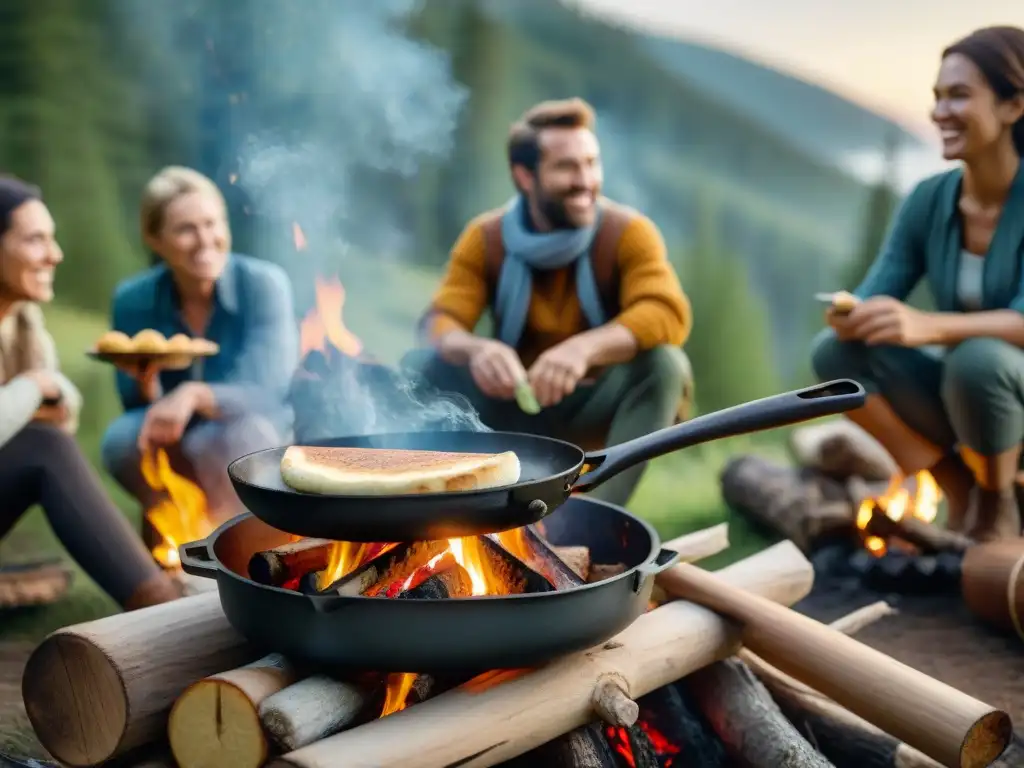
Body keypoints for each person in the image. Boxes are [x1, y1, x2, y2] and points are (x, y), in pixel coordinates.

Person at [403, 98, 693, 508]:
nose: (586, 180)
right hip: (507, 407)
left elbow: (666, 311)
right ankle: (434, 503)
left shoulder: (628, 233)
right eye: (566, 167)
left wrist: (583, 349)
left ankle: (594, 516)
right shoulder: (485, 237)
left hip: (591, 407)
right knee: (423, 366)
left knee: (665, 365)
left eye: (592, 163)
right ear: (525, 176)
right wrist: (477, 349)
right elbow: (437, 322)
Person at [811, 26, 1024, 542]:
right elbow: (878, 290)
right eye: (936, 97)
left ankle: (1000, 504)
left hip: (1000, 389)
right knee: (836, 357)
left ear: (1013, 106)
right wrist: (853, 314)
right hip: (969, 401)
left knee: (978, 359)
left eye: (959, 95)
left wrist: (927, 326)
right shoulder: (930, 199)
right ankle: (958, 487)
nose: (940, 112)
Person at [0, 176, 183, 610]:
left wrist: (37, 395)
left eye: (52, 238)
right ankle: (159, 607)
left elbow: (63, 415)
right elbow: (45, 414)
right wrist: (33, 388)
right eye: (34, 240)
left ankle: (162, 594)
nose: (55, 254)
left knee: (47, 445)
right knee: (44, 448)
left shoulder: (23, 323)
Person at [101, 166, 298, 527]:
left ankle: (239, 542)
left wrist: (194, 394)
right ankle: (175, 537)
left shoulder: (264, 285)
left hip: (252, 427)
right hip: (178, 432)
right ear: (155, 239)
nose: (205, 239)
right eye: (186, 229)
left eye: (212, 223)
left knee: (227, 439)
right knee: (121, 439)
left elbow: (268, 389)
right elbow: (133, 402)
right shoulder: (133, 299)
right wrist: (147, 383)